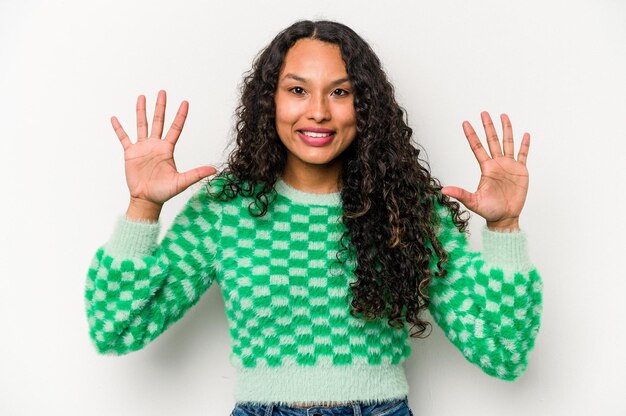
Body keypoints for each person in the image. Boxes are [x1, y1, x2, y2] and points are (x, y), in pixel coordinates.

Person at [84, 20, 543, 416]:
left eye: (340, 91)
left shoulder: (409, 211)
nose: (318, 111)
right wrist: (143, 207)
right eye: (298, 90)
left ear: (365, 108)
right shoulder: (226, 209)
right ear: (271, 102)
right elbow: (114, 329)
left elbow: (503, 352)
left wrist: (503, 228)